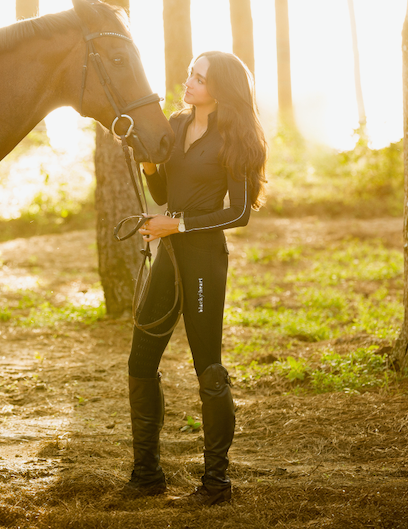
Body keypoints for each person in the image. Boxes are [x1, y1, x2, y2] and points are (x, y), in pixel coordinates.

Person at [123, 51, 267, 506]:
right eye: (189, 73)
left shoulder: (237, 135)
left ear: (220, 88)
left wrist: (177, 224)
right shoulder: (177, 124)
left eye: (199, 78)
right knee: (140, 362)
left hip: (204, 259)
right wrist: (149, 167)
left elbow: (240, 212)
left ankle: (216, 483)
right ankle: (146, 474)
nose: (188, 82)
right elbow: (167, 193)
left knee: (209, 368)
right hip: (169, 256)